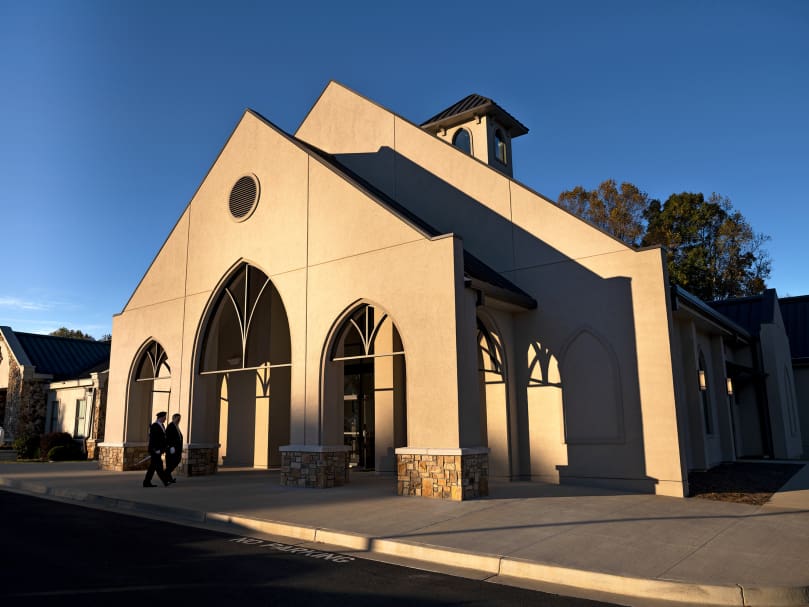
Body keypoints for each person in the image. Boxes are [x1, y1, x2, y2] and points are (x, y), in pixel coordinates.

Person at [143, 411, 171, 487]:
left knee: (153, 467)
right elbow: (153, 439)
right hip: (155, 450)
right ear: (160, 418)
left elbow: (163, 438)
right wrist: (155, 449)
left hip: (159, 449)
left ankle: (146, 482)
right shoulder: (154, 426)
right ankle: (165, 481)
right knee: (159, 466)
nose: (165, 419)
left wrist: (165, 446)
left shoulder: (162, 425)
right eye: (164, 417)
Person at [165, 413, 183, 483]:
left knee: (176, 460)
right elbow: (167, 437)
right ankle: (166, 473)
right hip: (172, 449)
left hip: (177, 449)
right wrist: (171, 446)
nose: (179, 420)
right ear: (174, 418)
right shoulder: (170, 426)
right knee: (174, 461)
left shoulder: (176, 426)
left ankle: (168, 477)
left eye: (179, 419)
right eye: (177, 418)